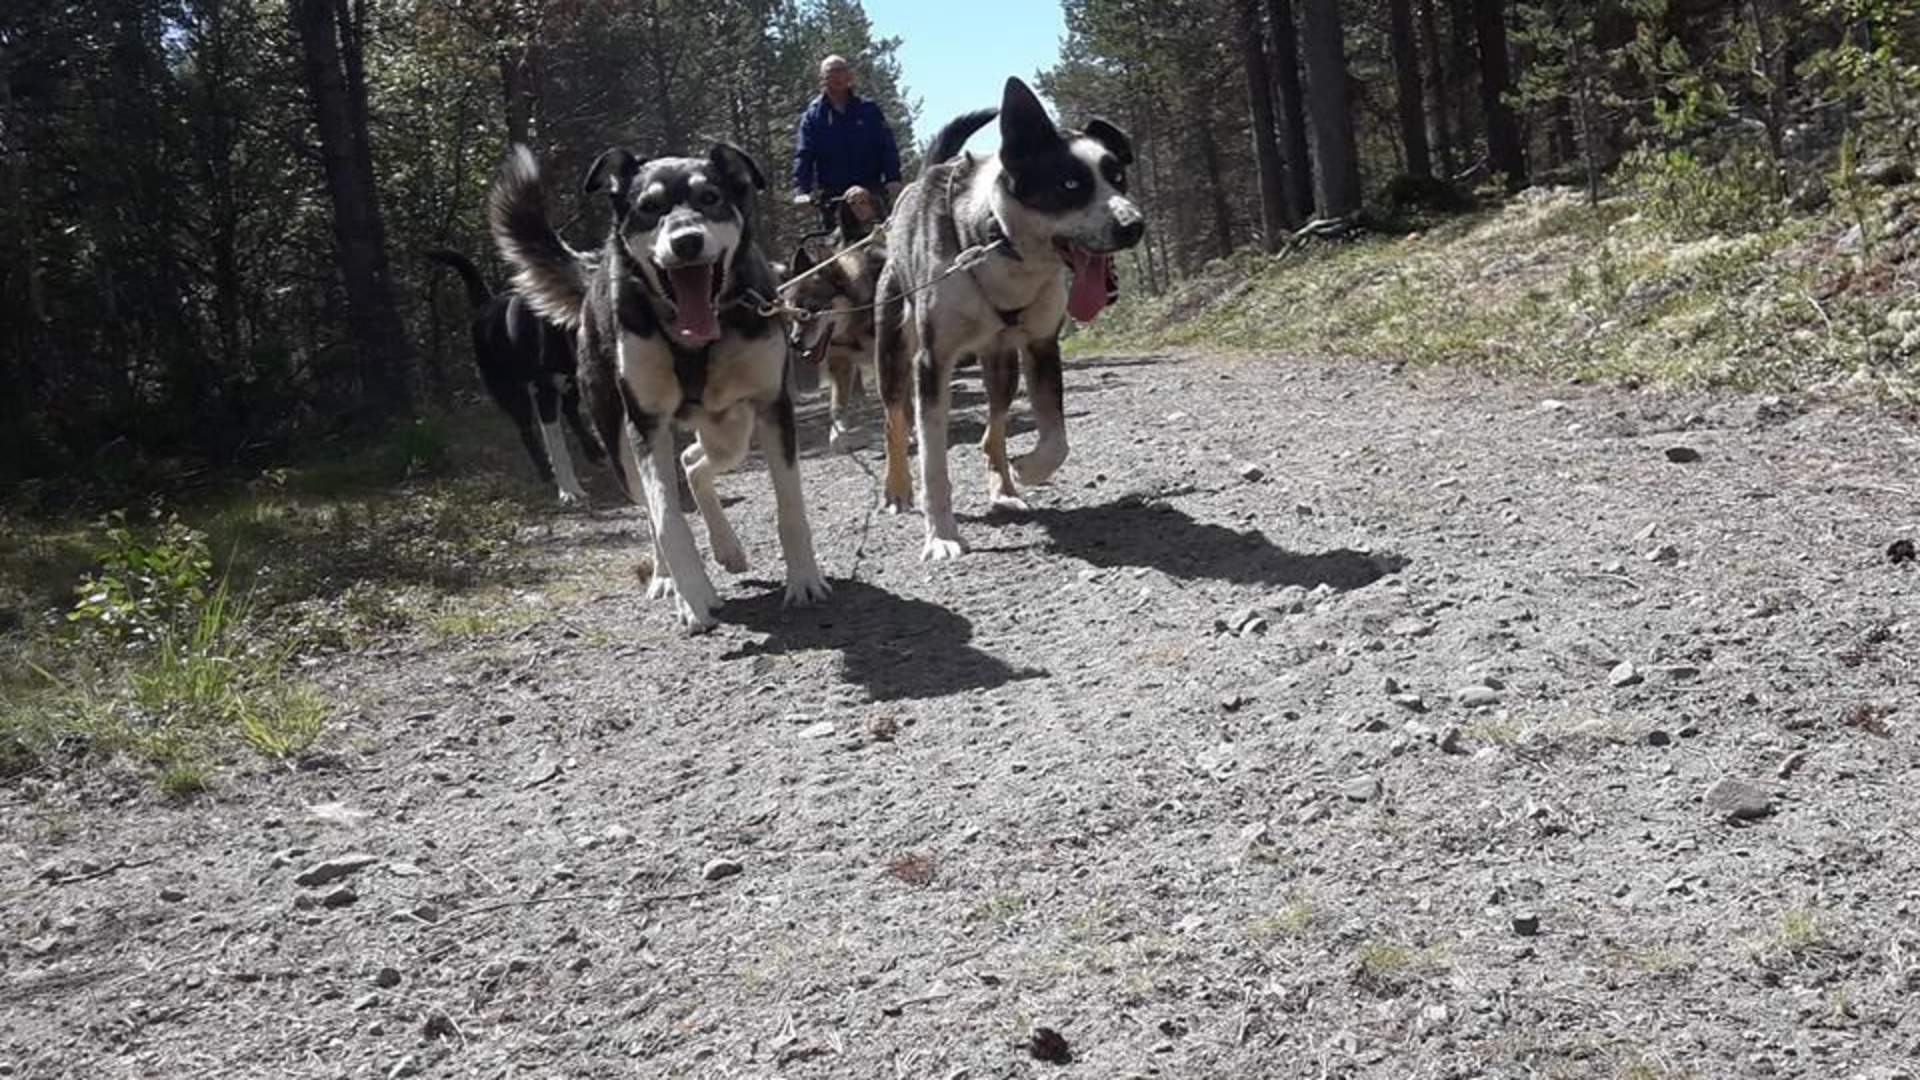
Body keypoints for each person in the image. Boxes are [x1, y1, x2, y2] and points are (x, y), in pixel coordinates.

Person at [792, 55, 903, 234]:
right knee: (838, 252)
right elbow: (804, 154)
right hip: (834, 198)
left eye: (841, 71)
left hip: (872, 192)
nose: (837, 76)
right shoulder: (813, 117)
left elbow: (887, 146)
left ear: (850, 76)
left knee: (885, 242)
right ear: (822, 78)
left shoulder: (868, 110)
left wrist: (893, 179)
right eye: (831, 72)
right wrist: (801, 191)